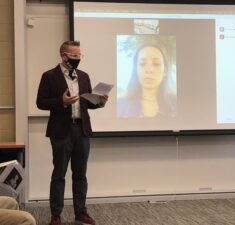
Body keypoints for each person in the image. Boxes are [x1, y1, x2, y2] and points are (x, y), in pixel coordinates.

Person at [36, 41, 108, 225]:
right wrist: (61, 102)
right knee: (59, 173)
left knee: (80, 174)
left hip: (82, 129)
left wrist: (99, 102)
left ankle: (80, 212)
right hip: (61, 130)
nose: (77, 60)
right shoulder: (49, 76)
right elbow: (41, 102)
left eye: (79, 56)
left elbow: (88, 103)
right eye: (74, 56)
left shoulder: (83, 76)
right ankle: (56, 215)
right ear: (63, 56)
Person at [117, 44, 176, 118]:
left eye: (156, 64)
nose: (149, 69)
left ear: (165, 71)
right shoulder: (119, 105)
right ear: (136, 70)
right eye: (142, 64)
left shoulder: (177, 104)